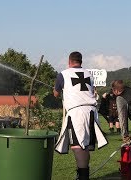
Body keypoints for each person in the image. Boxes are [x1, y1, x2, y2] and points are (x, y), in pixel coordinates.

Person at [53, 51, 107, 180]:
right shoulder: (89, 74)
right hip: (91, 112)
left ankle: (83, 177)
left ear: (69, 61)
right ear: (80, 61)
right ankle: (83, 174)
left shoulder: (63, 74)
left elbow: (55, 94)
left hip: (77, 113)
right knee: (85, 146)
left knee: (78, 146)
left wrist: (56, 89)